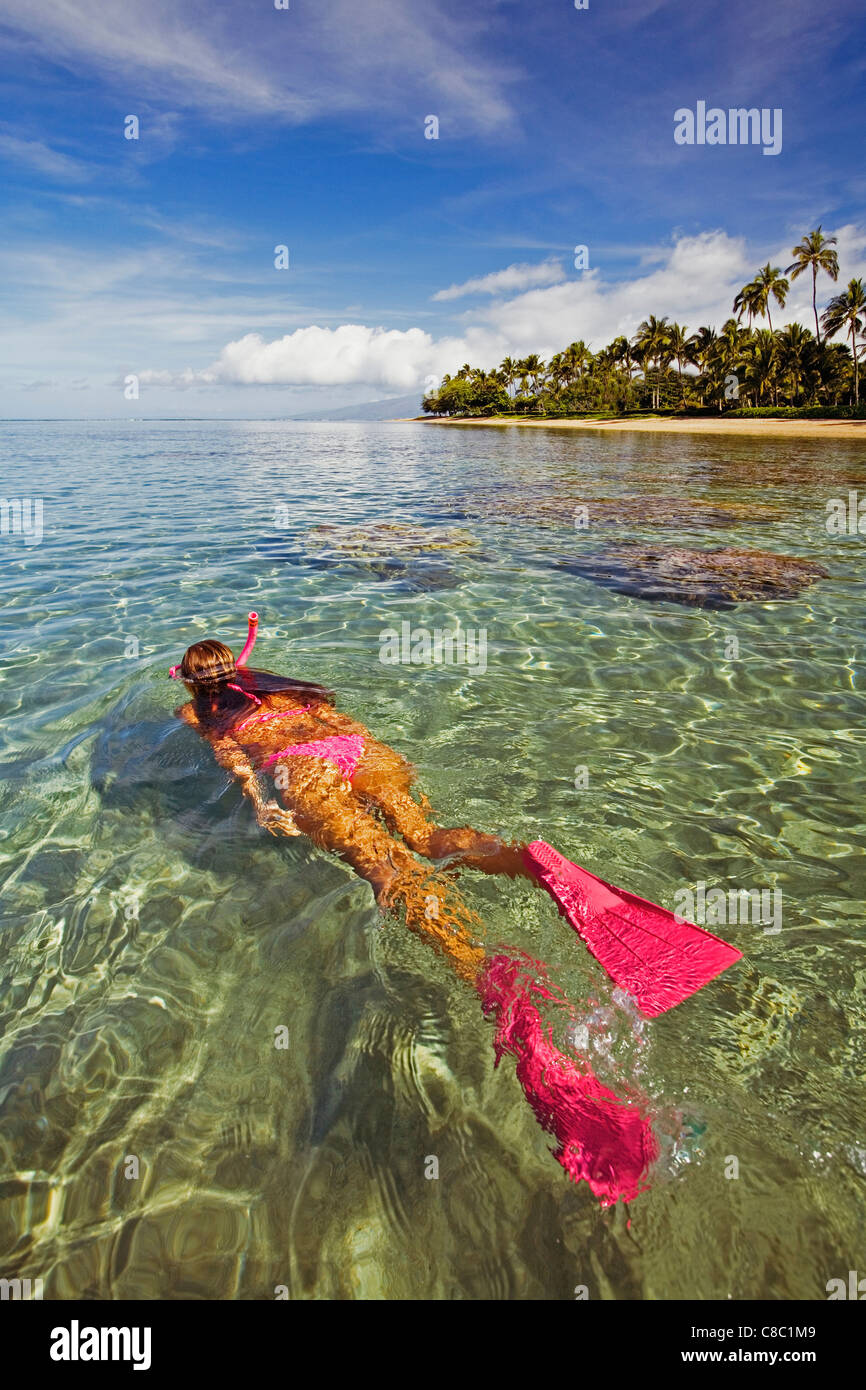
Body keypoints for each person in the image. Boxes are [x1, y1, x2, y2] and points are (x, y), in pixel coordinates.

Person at [172, 638, 527, 981]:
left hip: (302, 766)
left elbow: (233, 759)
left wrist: (262, 802)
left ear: (191, 681)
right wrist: (382, 753)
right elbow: (342, 722)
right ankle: (524, 862)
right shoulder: (277, 688)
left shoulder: (193, 711)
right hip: (359, 750)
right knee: (425, 836)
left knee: (389, 870)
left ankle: (479, 972)